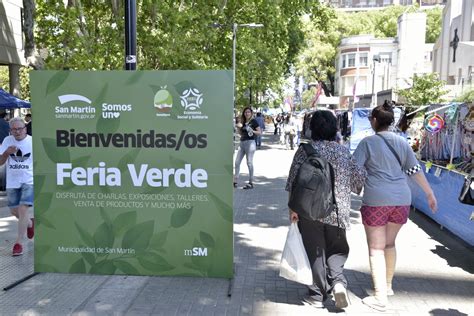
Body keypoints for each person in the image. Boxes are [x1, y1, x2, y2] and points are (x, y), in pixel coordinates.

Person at [353, 103, 438, 312]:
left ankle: (380, 297)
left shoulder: (367, 143)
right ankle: (388, 286)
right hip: (402, 200)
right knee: (389, 244)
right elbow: (415, 170)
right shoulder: (402, 142)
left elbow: (353, 168)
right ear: (390, 121)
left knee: (376, 248)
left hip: (376, 200)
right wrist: (429, 193)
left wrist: (354, 187)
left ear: (374, 120)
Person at [286, 110, 366, 309]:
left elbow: (293, 182)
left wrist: (292, 209)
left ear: (312, 128)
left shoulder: (304, 150)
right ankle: (338, 283)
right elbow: (358, 181)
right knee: (337, 250)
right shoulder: (342, 151)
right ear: (334, 129)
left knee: (315, 252)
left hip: (309, 210)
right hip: (338, 210)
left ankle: (316, 295)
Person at [0, 117, 34, 256]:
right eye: (14, 129)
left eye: (20, 128)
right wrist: (7, 153)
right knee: (15, 212)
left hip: (29, 180)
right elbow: (1, 162)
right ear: (11, 131)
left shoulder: (32, 142)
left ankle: (18, 243)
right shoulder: (7, 141)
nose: (18, 131)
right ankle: (31, 224)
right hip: (12, 182)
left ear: (25, 129)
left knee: (22, 209)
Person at [234, 107, 261, 189]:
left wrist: (252, 130)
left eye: (248, 112)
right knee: (237, 162)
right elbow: (240, 133)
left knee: (249, 163)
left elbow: (259, 132)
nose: (247, 113)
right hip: (242, 143)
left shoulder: (254, 121)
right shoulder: (243, 121)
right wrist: (238, 128)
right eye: (245, 112)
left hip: (250, 143)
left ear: (251, 113)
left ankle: (251, 182)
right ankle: (235, 180)